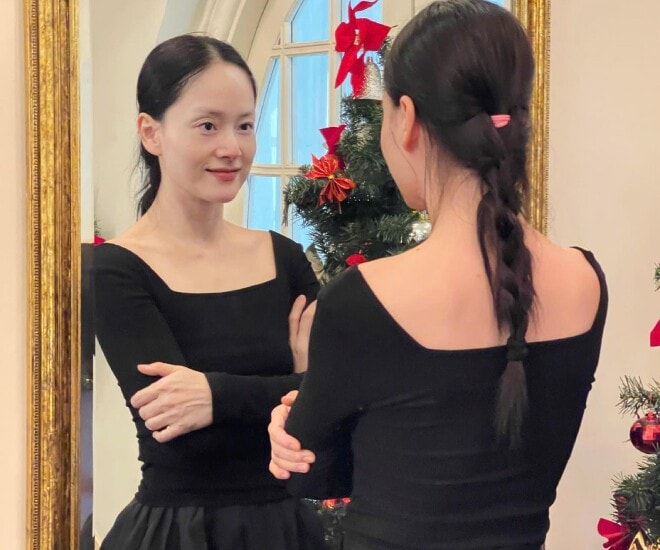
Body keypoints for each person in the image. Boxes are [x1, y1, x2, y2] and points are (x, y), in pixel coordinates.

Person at [268, 1, 608, 548]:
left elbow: (309, 473)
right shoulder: (586, 281)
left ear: (406, 118)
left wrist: (293, 424)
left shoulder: (362, 301)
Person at [94, 34, 325, 550]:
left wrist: (214, 395)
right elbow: (181, 438)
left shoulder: (284, 259)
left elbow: (336, 404)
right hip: (179, 534)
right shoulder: (117, 269)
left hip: (287, 530)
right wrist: (295, 385)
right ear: (151, 133)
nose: (232, 148)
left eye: (245, 125)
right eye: (207, 126)